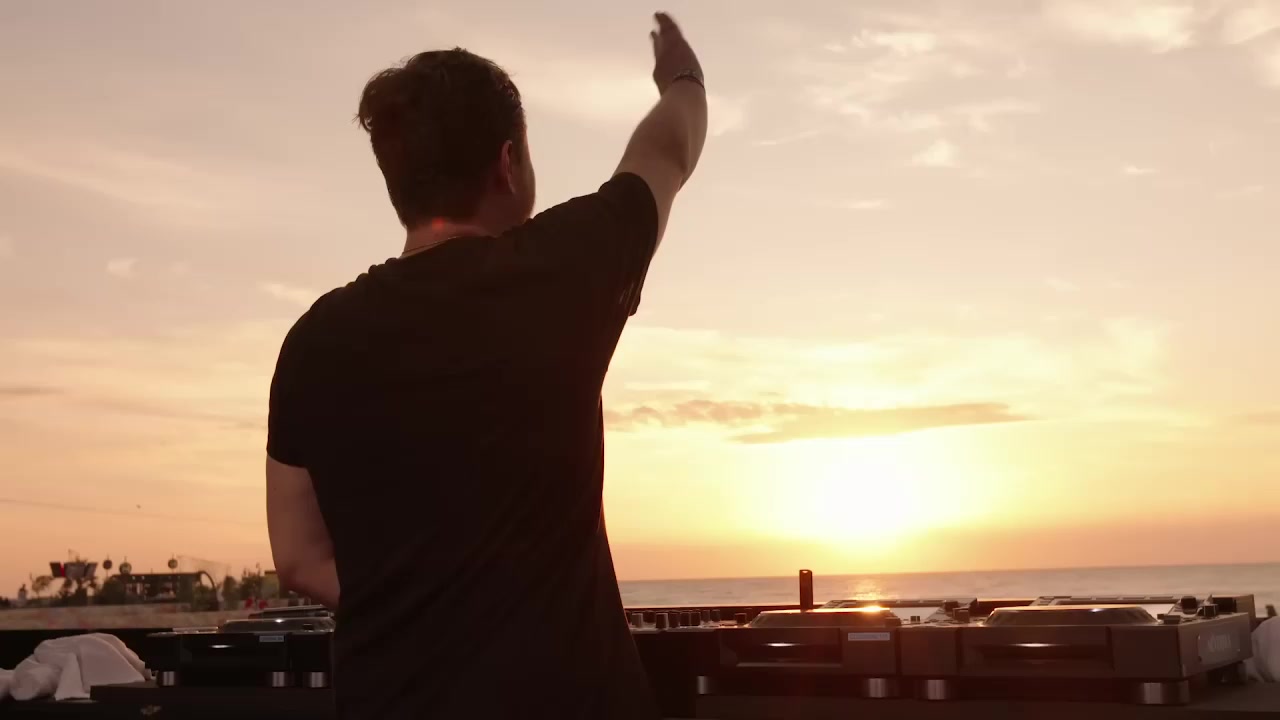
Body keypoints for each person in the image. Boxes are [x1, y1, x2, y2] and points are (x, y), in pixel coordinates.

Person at [264, 12, 707, 720]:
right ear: (508, 163)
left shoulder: (314, 340)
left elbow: (296, 556)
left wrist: (426, 604)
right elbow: (667, 150)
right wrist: (682, 77)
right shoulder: (565, 270)